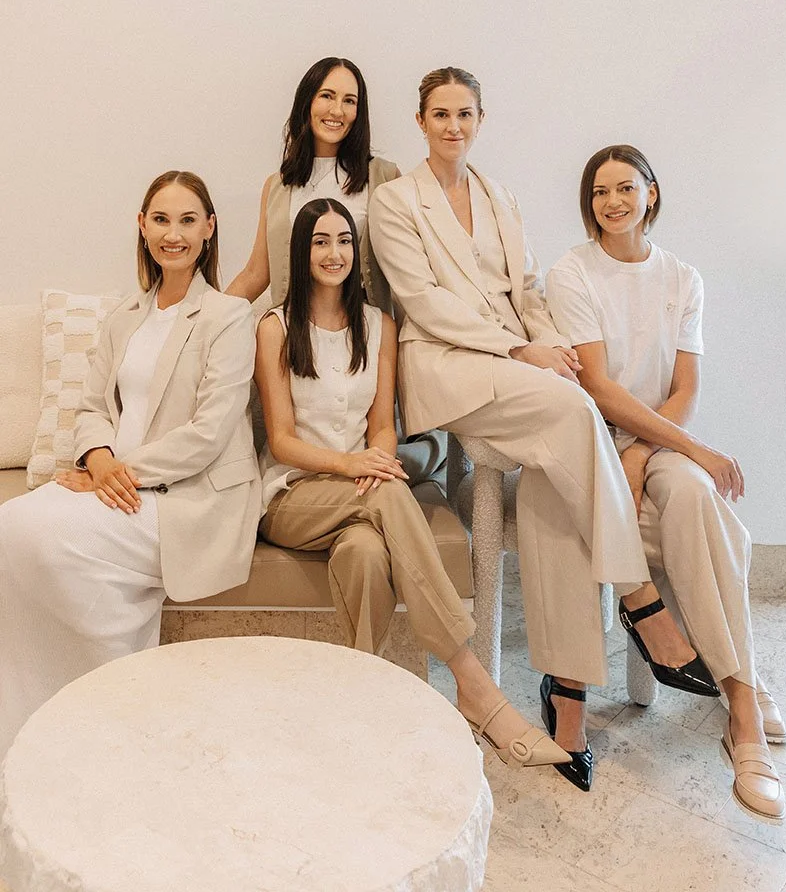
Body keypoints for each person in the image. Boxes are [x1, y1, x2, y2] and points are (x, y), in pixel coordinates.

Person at [368, 67, 719, 794]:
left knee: (557, 476)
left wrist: (549, 344)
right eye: (440, 114)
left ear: (480, 120)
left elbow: (526, 290)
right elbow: (422, 302)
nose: (453, 126)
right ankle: (640, 599)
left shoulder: (499, 196)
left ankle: (566, 699)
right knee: (575, 411)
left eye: (465, 114)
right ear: (420, 121)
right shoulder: (395, 200)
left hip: (516, 361)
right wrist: (518, 350)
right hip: (446, 364)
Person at [255, 195, 570, 770]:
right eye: (320, 242)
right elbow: (281, 441)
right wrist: (355, 466)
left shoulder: (379, 326)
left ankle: (361, 701)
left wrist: (374, 458)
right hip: (293, 496)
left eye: (344, 241)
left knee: (365, 553)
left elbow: (382, 426)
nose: (334, 253)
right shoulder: (275, 327)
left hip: (360, 498)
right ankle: (473, 682)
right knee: (389, 493)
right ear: (301, 252)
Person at [545, 144, 785, 822]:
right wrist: (682, 449)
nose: (612, 202)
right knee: (704, 515)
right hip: (597, 440)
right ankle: (745, 694)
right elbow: (597, 387)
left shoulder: (682, 277)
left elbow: (685, 389)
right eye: (599, 192)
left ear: (651, 193)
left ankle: (740, 706)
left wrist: (650, 452)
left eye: (625, 188)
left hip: (657, 442)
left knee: (694, 497)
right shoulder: (572, 272)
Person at [0, 171, 262, 759]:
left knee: (42, 535)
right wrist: (98, 458)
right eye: (161, 220)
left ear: (210, 228)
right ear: (142, 227)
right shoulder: (125, 316)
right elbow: (92, 408)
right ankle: (30, 725)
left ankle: (115, 704)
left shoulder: (227, 316)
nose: (174, 234)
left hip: (188, 495)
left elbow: (210, 432)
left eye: (188, 220)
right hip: (114, 483)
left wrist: (117, 472)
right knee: (10, 524)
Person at [228, 55, 443, 484]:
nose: (337, 110)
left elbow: (409, 272)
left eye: (350, 100)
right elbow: (257, 272)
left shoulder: (384, 177)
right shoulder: (278, 185)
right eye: (327, 96)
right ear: (307, 102)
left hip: (362, 339)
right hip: (300, 342)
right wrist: (202, 320)